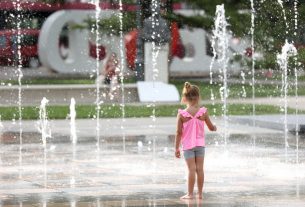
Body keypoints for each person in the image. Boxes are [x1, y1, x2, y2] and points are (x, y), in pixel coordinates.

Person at [175, 82, 217, 200]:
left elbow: (178, 133)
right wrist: (214, 127)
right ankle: (200, 194)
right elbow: (210, 127)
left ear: (184, 98)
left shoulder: (182, 115)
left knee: (191, 170)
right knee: (200, 169)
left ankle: (190, 194)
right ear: (198, 97)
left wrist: (176, 148)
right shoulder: (203, 112)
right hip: (200, 145)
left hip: (188, 146)